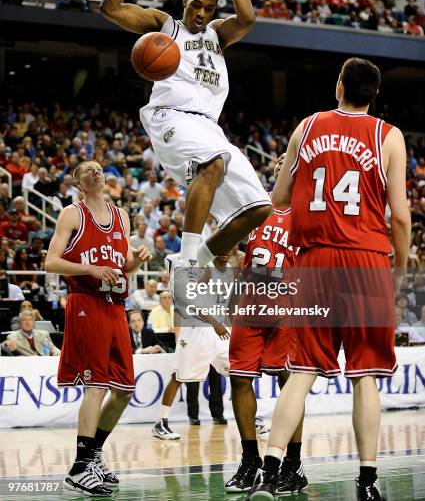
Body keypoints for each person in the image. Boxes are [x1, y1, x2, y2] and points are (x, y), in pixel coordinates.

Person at [248, 57, 411, 500]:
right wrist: (400, 269)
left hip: (315, 260)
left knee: (300, 373)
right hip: (367, 261)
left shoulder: (307, 126)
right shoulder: (389, 136)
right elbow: (399, 215)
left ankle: (270, 468)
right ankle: (367, 481)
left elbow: (278, 198)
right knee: (365, 376)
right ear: (374, 94)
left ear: (339, 86)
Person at [100, 0, 271, 311]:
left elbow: (248, 19)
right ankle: (190, 261)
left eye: (209, 8)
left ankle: (193, 263)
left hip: (209, 127)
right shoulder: (166, 27)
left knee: (259, 209)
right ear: (185, 4)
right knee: (213, 164)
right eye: (197, 5)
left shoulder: (217, 35)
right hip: (171, 117)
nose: (202, 13)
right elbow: (110, 7)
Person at [45, 160, 151, 497]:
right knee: (97, 386)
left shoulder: (121, 215)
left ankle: (93, 455)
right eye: (88, 170)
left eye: (99, 168)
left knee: (123, 390)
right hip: (85, 304)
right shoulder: (72, 214)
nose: (96, 171)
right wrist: (89, 269)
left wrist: (136, 261)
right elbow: (51, 262)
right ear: (78, 182)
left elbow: (122, 267)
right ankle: (79, 468)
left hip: (115, 307)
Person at [225, 156, 307, 495]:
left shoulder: (307, 213)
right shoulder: (254, 205)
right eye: (279, 160)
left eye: (290, 161)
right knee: (239, 378)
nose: (282, 163)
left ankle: (293, 463)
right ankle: (249, 461)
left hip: (288, 306)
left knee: (290, 384)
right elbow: (237, 253)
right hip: (251, 304)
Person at [151, 255, 233, 440]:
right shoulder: (181, 281)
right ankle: (161, 422)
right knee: (178, 377)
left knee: (239, 372)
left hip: (216, 334)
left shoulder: (212, 276)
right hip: (194, 334)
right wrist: (216, 323)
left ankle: (251, 417)